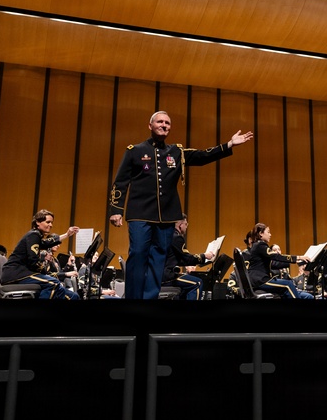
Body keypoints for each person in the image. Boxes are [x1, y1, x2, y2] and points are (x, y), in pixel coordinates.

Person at [108, 110, 253, 299]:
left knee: (158, 258)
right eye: (160, 122)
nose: (164, 125)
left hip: (167, 217)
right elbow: (120, 182)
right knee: (138, 254)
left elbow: (202, 156)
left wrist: (229, 145)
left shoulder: (176, 152)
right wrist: (116, 210)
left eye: (167, 123)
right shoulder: (135, 151)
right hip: (140, 214)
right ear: (150, 125)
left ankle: (149, 300)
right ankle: (133, 300)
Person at [1, 209, 81, 300]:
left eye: (51, 222)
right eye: (48, 222)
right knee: (53, 283)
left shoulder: (36, 236)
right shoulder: (33, 235)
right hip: (17, 274)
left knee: (73, 296)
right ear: (38, 222)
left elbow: (47, 243)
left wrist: (67, 234)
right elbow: (33, 261)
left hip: (22, 274)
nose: (51, 225)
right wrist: (45, 273)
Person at [244, 223, 312, 299]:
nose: (270, 235)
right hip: (260, 280)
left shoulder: (257, 246)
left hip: (258, 280)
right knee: (288, 284)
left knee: (286, 288)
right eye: (268, 232)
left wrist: (295, 261)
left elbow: (274, 264)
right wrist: (299, 257)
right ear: (261, 234)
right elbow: (276, 256)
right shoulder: (260, 245)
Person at [161, 216, 213, 300]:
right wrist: (204, 256)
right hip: (167, 277)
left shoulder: (169, 235)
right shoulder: (177, 237)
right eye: (186, 224)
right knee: (198, 283)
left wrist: (187, 264)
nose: (186, 226)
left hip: (161, 275)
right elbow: (187, 258)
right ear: (180, 225)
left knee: (188, 284)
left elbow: (177, 258)